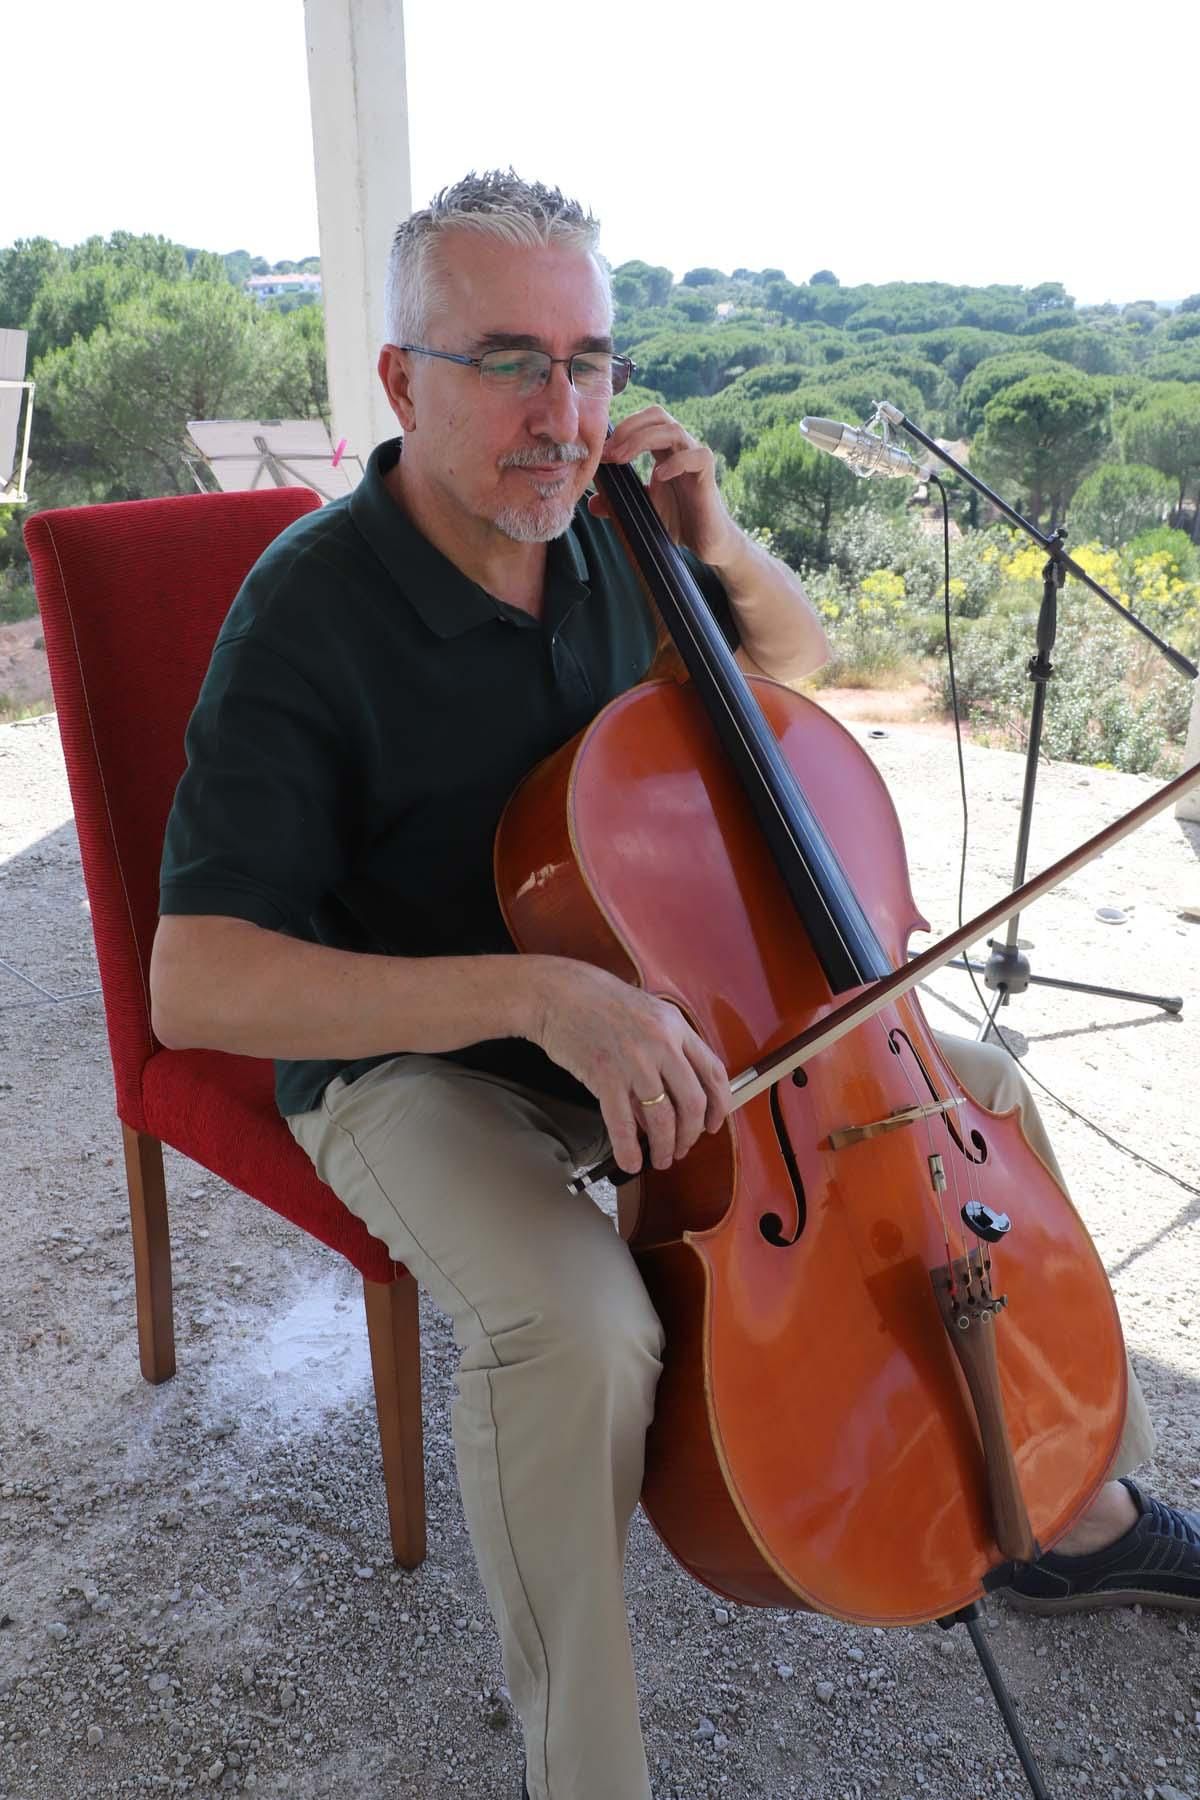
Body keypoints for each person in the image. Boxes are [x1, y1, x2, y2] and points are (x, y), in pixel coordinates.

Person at [149, 171, 1199, 1800]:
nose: (563, 415)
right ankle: (588, 1771)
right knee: (581, 1327)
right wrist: (534, 998)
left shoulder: (612, 536)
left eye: (589, 360)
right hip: (427, 1050)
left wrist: (717, 533)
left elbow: (791, 675)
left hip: (663, 1007)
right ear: (403, 380)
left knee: (973, 1087)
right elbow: (196, 982)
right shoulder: (308, 614)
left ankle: (1078, 1499)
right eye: (511, 361)